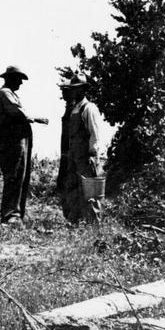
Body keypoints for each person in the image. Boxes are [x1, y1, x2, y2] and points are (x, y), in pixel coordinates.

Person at [0, 66, 48, 227]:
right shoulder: (4, 93)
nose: (21, 83)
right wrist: (37, 119)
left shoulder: (11, 94)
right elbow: (18, 113)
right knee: (14, 174)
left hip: (19, 138)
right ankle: (11, 215)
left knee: (21, 175)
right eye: (18, 79)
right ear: (10, 79)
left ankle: (16, 213)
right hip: (11, 138)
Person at [62, 74, 103, 223]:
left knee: (90, 190)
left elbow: (95, 133)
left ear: (84, 90)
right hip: (74, 156)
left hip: (86, 156)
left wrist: (93, 153)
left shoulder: (89, 108)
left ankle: (94, 224)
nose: (74, 92)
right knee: (73, 188)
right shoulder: (74, 109)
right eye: (72, 89)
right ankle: (76, 221)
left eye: (77, 89)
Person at [56, 77, 75, 216]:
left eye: (66, 90)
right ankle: (68, 214)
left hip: (72, 153)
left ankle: (72, 215)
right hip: (66, 152)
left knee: (69, 183)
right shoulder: (69, 107)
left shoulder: (75, 108)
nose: (63, 92)